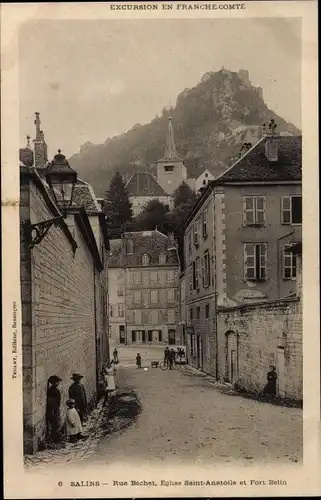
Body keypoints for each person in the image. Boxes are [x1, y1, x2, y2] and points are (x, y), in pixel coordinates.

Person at [46, 375, 62, 444]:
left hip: (56, 409)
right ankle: (54, 438)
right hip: (53, 410)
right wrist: (55, 411)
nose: (58, 383)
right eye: (57, 382)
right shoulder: (51, 391)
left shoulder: (55, 390)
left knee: (56, 424)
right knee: (54, 424)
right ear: (53, 382)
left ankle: (55, 437)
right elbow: (51, 402)